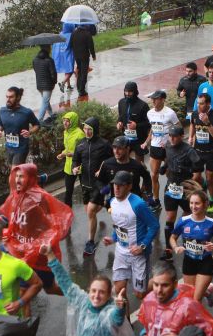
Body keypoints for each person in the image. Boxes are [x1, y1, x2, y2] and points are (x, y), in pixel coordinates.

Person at [0, 163, 72, 296]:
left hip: (39, 257)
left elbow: (49, 227)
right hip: (23, 252)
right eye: (17, 176)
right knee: (23, 290)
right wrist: (4, 226)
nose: (17, 180)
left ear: (30, 178)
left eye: (22, 176)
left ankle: (79, 298)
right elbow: (13, 218)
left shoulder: (39, 199)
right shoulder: (16, 196)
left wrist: (33, 248)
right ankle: (26, 316)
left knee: (49, 289)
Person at [104, 171, 159, 299]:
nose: (116, 188)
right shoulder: (112, 202)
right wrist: (113, 238)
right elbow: (119, 224)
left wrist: (143, 246)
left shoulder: (138, 204)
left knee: (140, 294)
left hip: (138, 255)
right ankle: (123, 319)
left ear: (129, 186)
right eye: (115, 184)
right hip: (121, 252)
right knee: (119, 291)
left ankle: (160, 282)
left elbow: (154, 225)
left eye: (121, 185)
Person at [171, 189, 213, 305]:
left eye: (197, 203)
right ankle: (207, 291)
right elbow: (172, 237)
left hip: (205, 262)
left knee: (195, 300)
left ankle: (198, 322)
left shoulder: (211, 223)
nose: (193, 206)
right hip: (189, 262)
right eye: (191, 203)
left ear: (205, 204)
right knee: (190, 295)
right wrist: (176, 247)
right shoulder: (183, 221)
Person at [73, 118, 112, 256]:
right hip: (85, 183)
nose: (87, 131)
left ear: (95, 130)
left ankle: (90, 242)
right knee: (91, 212)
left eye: (90, 129)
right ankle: (105, 203)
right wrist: (74, 169)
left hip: (98, 183)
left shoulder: (104, 144)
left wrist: (102, 169)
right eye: (85, 129)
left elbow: (111, 160)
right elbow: (75, 161)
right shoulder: (80, 144)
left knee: (90, 211)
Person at [143, 89, 179, 211]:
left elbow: (178, 128)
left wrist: (171, 141)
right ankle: (156, 200)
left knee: (171, 174)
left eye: (156, 99)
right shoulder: (150, 113)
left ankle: (172, 196)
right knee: (154, 175)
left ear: (163, 99)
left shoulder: (170, 113)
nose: (153, 101)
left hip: (168, 149)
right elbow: (153, 129)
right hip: (155, 147)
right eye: (152, 99)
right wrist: (146, 142)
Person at [0, 86, 41, 167]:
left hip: (21, 148)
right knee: (18, 172)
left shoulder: (26, 112)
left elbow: (37, 125)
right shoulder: (2, 111)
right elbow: (1, 124)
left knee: (14, 172)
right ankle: (38, 178)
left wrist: (30, 132)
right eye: (6, 97)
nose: (8, 99)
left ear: (18, 97)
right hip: (9, 147)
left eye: (11, 97)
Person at [117, 81, 151, 160]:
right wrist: (119, 123)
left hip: (138, 138)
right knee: (122, 160)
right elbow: (120, 117)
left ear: (135, 92)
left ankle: (142, 170)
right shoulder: (121, 102)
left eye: (130, 92)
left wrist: (136, 125)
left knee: (139, 164)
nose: (127, 94)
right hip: (125, 137)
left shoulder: (143, 105)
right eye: (126, 91)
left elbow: (148, 123)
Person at [57, 111, 83, 206]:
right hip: (68, 166)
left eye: (67, 121)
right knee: (68, 191)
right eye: (64, 121)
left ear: (73, 122)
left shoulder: (80, 134)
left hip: (79, 165)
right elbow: (68, 148)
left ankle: (89, 208)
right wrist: (62, 154)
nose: (65, 123)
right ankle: (67, 211)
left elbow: (83, 150)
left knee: (85, 189)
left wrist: (73, 154)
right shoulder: (65, 132)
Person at [69, 23, 97, 100]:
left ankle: (79, 87)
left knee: (80, 71)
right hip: (84, 56)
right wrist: (93, 55)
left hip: (76, 56)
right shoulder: (87, 34)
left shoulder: (73, 33)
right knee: (84, 73)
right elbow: (91, 46)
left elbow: (70, 45)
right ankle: (82, 90)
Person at [31, 44, 57, 123]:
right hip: (47, 85)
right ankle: (39, 121)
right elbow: (53, 73)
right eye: (49, 47)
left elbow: (35, 70)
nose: (50, 48)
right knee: (45, 102)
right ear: (47, 48)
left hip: (39, 85)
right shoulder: (49, 60)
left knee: (45, 100)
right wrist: (54, 81)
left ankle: (51, 114)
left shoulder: (35, 59)